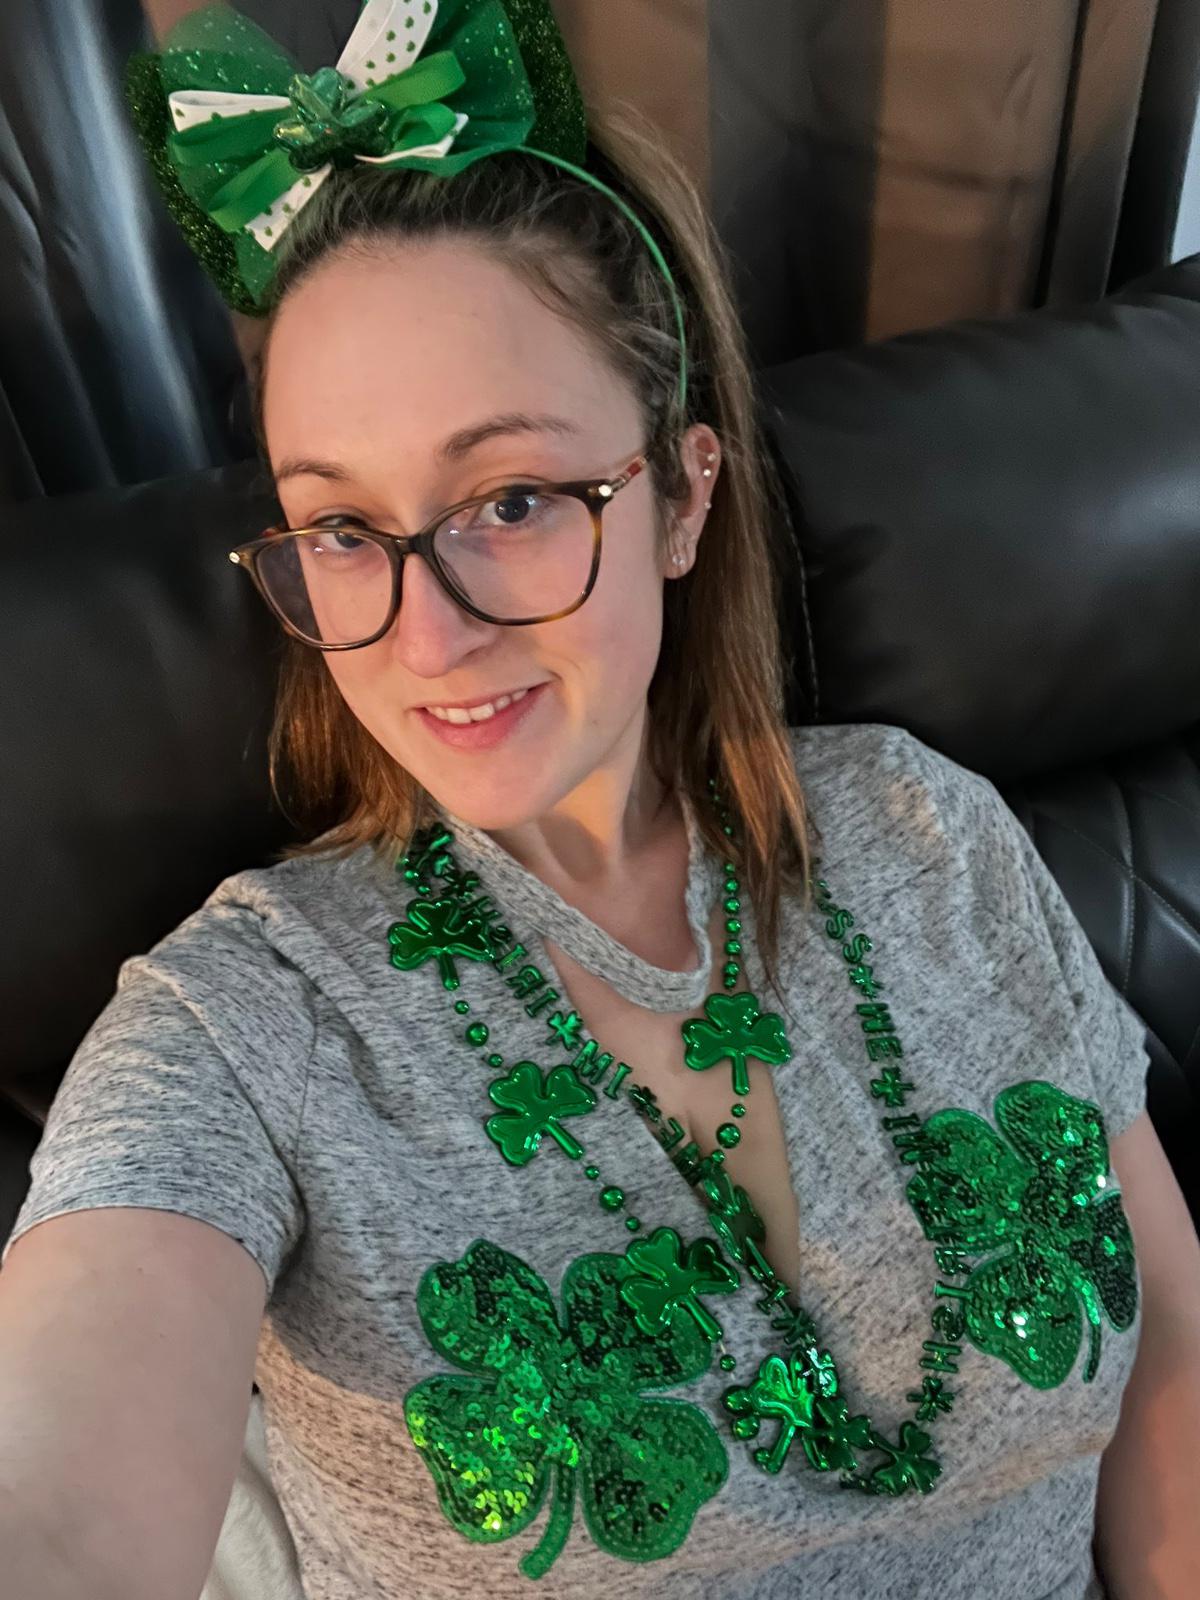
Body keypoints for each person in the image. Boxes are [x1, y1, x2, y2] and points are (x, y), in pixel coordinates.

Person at [1, 3, 1198, 1598]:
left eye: (509, 501)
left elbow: (1170, 1365)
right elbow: (61, 1491)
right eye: (342, 530)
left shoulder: (935, 833)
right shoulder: (242, 1029)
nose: (427, 635)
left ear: (684, 496)